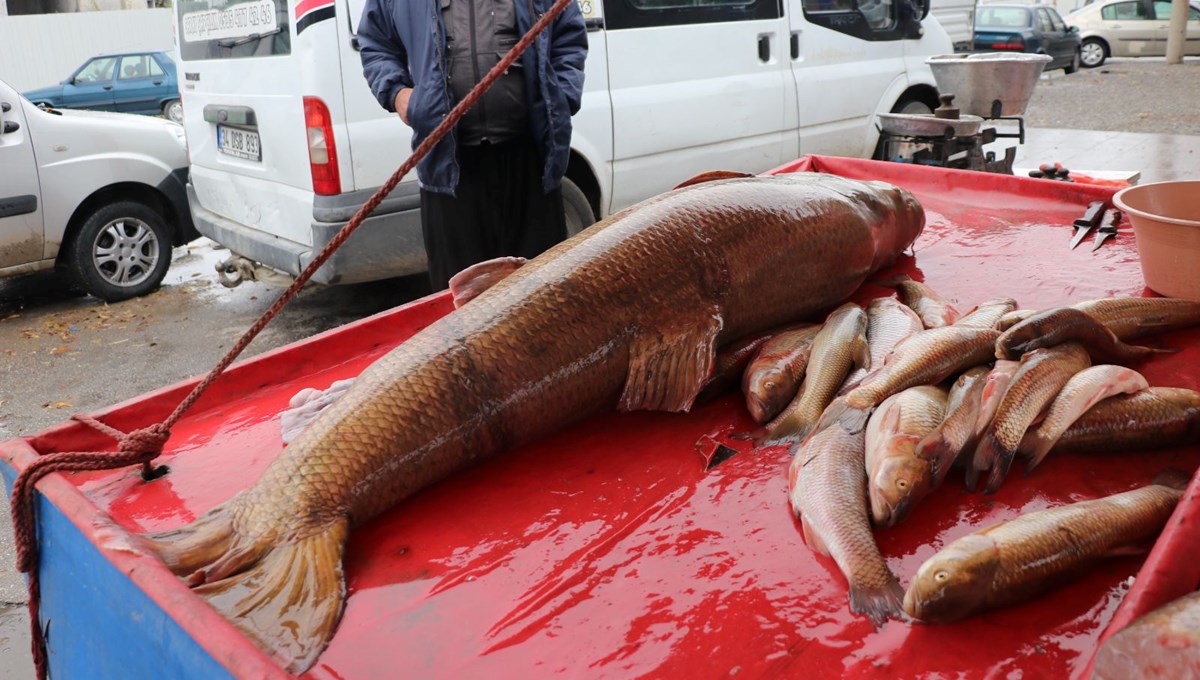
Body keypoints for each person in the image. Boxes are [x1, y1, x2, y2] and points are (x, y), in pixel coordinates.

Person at [357, 0, 588, 291]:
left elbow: (569, 37)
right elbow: (375, 43)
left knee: (539, 299)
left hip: (529, 165)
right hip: (449, 169)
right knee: (459, 304)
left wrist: (562, 96)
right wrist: (398, 94)